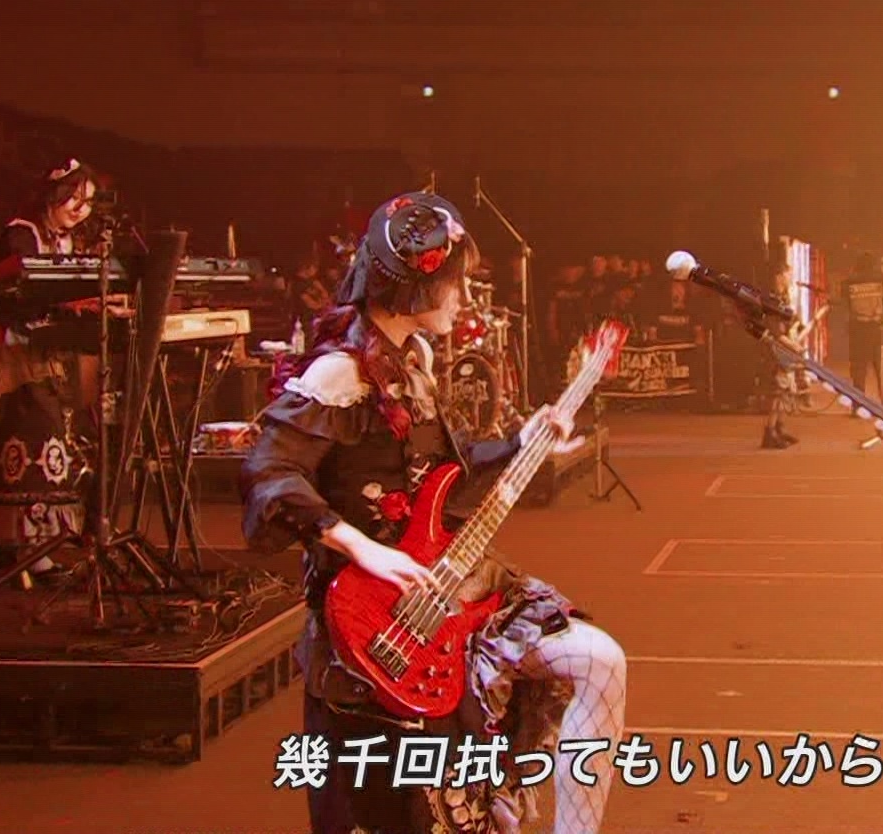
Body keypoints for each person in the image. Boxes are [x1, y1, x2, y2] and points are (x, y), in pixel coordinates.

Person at [241, 192, 628, 834]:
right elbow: (267, 473)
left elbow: (449, 468)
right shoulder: (339, 374)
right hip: (377, 624)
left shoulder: (413, 361)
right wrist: (361, 546)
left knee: (600, 661)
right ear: (411, 288)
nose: (464, 298)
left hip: (442, 592)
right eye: (455, 283)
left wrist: (522, 441)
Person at [0, 158, 102, 582]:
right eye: (74, 198)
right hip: (7, 352)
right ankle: (30, 550)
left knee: (39, 439)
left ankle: (17, 546)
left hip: (39, 349)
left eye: (88, 202)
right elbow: (19, 288)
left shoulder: (65, 239)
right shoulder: (23, 233)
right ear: (53, 195)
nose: (81, 209)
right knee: (31, 438)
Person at [760, 261, 799, 450]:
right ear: (778, 277)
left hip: (785, 350)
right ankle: (770, 431)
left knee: (785, 392)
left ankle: (779, 427)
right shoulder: (771, 300)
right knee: (777, 391)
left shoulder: (784, 298)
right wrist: (793, 345)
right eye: (787, 274)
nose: (790, 278)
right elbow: (775, 331)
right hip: (776, 351)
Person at [843, 252, 883, 405]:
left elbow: (846, 304)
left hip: (857, 329)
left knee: (858, 369)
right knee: (881, 368)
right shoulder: (880, 281)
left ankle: (858, 405)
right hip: (877, 329)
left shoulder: (850, 282)